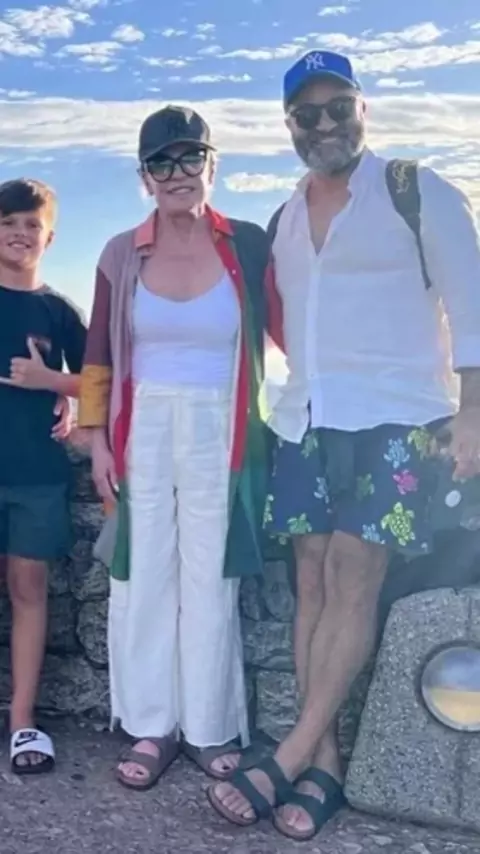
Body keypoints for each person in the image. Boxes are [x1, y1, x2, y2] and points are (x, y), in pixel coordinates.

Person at [207, 49, 480, 840]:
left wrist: (474, 413)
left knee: (354, 577)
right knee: (312, 582)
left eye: (337, 108)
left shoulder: (415, 190)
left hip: (397, 417)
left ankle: (289, 752)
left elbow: (471, 304)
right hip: (306, 418)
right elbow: (285, 326)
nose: (323, 124)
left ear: (362, 108)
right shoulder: (287, 216)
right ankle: (323, 761)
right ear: (289, 124)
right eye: (307, 114)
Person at [77, 105, 283, 790]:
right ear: (144, 177)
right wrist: (96, 441)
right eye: (160, 163)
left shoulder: (247, 245)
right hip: (142, 430)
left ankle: (208, 726)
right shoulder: (120, 252)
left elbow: (294, 324)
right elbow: (98, 356)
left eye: (190, 157)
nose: (176, 173)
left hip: (221, 431)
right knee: (143, 577)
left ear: (211, 165)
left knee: (210, 578)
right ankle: (150, 725)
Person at [0, 178, 87, 774]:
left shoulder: (59, 311)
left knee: (29, 591)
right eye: (8, 222)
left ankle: (23, 720)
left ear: (49, 237)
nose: (20, 233)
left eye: (32, 224)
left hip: (36, 474)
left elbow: (102, 379)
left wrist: (54, 384)